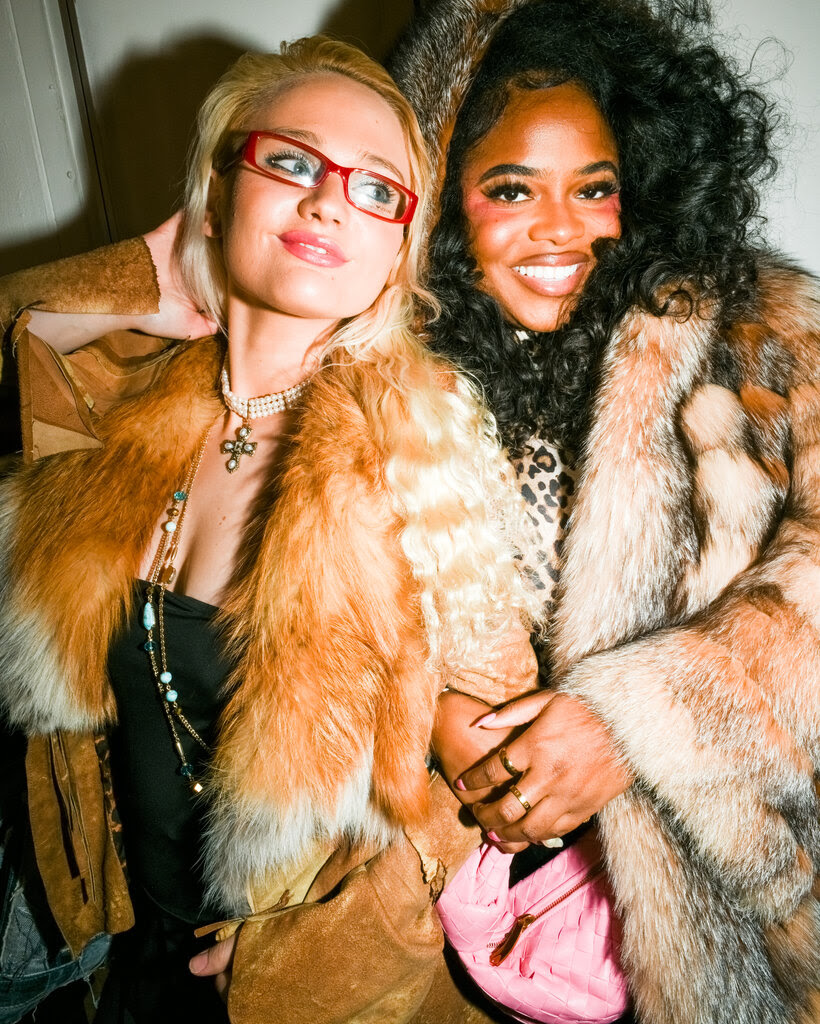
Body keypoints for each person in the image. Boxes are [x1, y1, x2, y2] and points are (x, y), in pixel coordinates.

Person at [0, 34, 543, 1024]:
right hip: (133, 960)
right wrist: (129, 282)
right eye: (292, 162)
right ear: (217, 190)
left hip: (318, 990)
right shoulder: (122, 406)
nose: (331, 199)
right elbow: (19, 336)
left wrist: (333, 939)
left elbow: (505, 777)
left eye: (378, 190)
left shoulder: (424, 449)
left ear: (398, 250)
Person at [389, 0, 820, 1022]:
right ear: (444, 199)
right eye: (509, 189)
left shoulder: (749, 330)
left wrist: (630, 724)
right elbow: (311, 627)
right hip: (469, 935)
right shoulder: (384, 375)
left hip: (735, 917)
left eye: (594, 187)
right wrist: (428, 725)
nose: (561, 229)